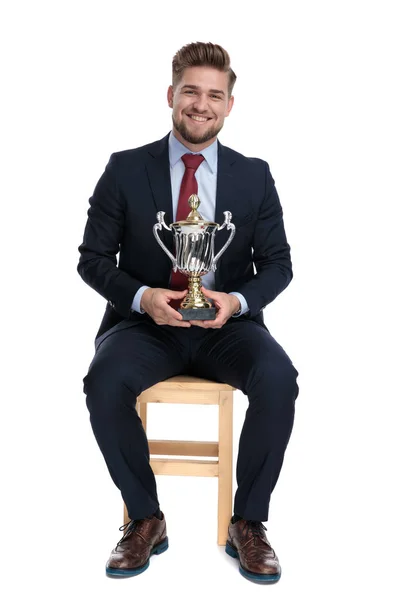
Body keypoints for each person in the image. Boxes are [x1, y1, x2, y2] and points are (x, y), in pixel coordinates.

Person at [77, 41, 299, 584]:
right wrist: (143, 296)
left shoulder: (254, 175)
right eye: (191, 91)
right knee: (103, 381)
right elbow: (93, 259)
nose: (202, 104)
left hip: (228, 328)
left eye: (214, 95)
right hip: (144, 327)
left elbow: (278, 264)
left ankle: (247, 521)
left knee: (279, 379)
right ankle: (145, 517)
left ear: (229, 105)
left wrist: (237, 301)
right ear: (171, 95)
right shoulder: (126, 168)